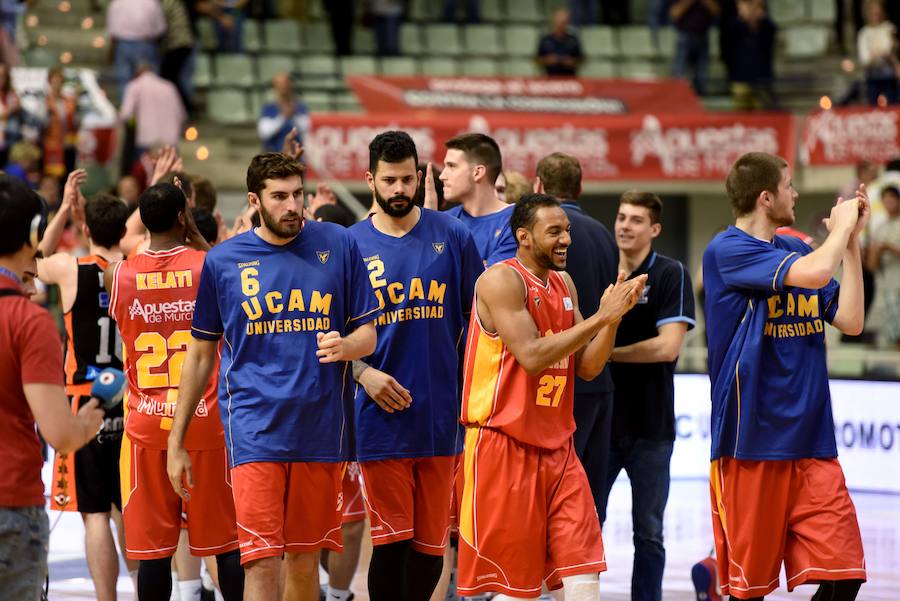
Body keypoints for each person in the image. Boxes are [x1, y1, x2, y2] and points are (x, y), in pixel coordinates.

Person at [167, 153, 378, 601]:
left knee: (303, 561)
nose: (292, 206)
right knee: (261, 560)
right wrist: (176, 441)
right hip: (255, 429)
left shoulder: (338, 245)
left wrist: (347, 345)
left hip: (321, 432)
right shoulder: (223, 262)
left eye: (298, 194)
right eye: (279, 196)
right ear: (254, 200)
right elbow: (201, 355)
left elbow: (369, 335)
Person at [456, 193, 647, 599]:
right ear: (524, 237)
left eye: (568, 231)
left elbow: (589, 366)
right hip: (503, 445)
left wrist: (614, 320)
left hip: (559, 447)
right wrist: (600, 317)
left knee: (583, 572)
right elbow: (531, 356)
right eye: (555, 231)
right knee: (517, 587)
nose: (566, 240)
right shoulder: (500, 280)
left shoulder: (564, 283)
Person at [703, 152, 868, 600]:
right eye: (789, 185)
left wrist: (849, 242)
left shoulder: (796, 248)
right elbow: (816, 274)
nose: (795, 193)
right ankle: (710, 574)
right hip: (751, 442)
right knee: (748, 590)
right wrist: (836, 233)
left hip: (812, 443)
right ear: (765, 197)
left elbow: (851, 320)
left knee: (845, 576)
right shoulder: (726, 251)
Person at [349, 131, 483, 601]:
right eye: (389, 180)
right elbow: (324, 337)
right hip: (379, 419)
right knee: (390, 544)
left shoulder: (453, 234)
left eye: (408, 178)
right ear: (370, 180)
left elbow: (482, 321)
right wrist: (363, 373)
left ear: (420, 175)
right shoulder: (350, 245)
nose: (400, 189)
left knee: (431, 549)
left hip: (441, 416)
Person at [105, 183, 243, 601]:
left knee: (153, 554)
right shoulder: (208, 266)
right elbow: (220, 266)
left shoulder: (121, 274)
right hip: (205, 421)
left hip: (146, 424)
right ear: (183, 218)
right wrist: (198, 235)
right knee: (227, 547)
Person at [0, 173, 104, 600]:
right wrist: (87, 422)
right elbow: (59, 434)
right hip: (10, 500)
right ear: (30, 234)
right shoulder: (27, 320)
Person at [35, 170, 137, 601]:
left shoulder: (70, 269)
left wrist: (62, 210)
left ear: (86, 228)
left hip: (85, 405)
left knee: (94, 514)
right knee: (128, 513)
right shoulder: (136, 269)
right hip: (133, 403)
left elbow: (31, 259)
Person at [607, 191, 696, 601]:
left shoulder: (669, 274)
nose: (625, 225)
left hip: (651, 426)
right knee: (586, 525)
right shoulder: (601, 270)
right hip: (601, 424)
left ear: (655, 229)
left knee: (649, 533)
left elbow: (667, 348)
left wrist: (604, 354)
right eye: (622, 217)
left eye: (636, 220)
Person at [533, 153, 619, 526]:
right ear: (580, 187)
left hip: (560, 382)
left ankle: (555, 579)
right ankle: (584, 576)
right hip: (599, 378)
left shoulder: (534, 244)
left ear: (538, 186)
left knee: (556, 494)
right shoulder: (602, 232)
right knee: (590, 496)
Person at [440, 133, 516, 267]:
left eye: (451, 166)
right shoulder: (444, 221)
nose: (442, 175)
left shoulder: (515, 222)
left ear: (477, 172)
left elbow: (490, 283)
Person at [119, 64, 188, 160]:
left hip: (146, 141)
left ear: (137, 73)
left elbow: (126, 114)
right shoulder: (169, 87)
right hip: (170, 141)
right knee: (170, 174)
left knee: (147, 173)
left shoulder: (135, 86)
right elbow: (181, 115)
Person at [724, 0, 777, 111]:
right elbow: (728, 52)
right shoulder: (734, 27)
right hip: (740, 79)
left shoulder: (766, 27)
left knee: (763, 113)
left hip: (761, 80)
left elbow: (768, 44)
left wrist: (757, 22)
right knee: (742, 115)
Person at [106, 0, 167, 98]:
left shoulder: (117, 2)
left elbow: (112, 29)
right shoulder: (151, 2)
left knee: (124, 80)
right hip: (145, 43)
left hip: (123, 44)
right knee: (149, 80)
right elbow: (160, 28)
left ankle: (127, 109)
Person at [865, 184, 900, 348]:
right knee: (893, 334)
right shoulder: (880, 228)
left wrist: (888, 246)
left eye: (892, 199)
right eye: (885, 200)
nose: (889, 203)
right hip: (888, 288)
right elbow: (871, 266)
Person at [669, 0, 720, 95]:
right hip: (685, 35)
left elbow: (717, 11)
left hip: (703, 35)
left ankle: (700, 96)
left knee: (702, 74)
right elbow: (674, 13)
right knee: (680, 71)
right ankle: (676, 96)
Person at [857, 0, 899, 106]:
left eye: (878, 13)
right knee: (873, 108)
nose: (876, 16)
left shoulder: (888, 28)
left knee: (892, 106)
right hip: (872, 77)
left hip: (889, 76)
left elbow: (889, 49)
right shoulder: (864, 33)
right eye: (873, 13)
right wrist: (879, 54)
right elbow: (865, 59)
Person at [258, 73, 311, 154]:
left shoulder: (300, 107)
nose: (283, 87)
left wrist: (294, 115)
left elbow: (307, 128)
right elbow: (264, 133)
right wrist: (283, 117)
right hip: (274, 155)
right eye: (280, 84)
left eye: (285, 83)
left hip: (296, 155)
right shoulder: (268, 108)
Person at [536, 9, 583, 77]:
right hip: (550, 78)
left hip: (570, 78)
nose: (560, 25)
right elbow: (537, 59)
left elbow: (581, 59)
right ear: (553, 22)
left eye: (563, 22)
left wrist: (572, 61)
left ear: (567, 23)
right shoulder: (545, 39)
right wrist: (547, 60)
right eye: (558, 22)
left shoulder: (573, 39)